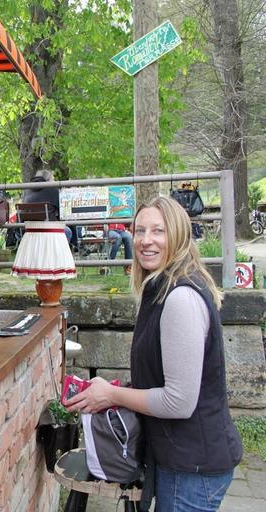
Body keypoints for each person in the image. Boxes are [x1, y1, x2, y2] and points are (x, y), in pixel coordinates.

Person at [66, 196, 242, 511]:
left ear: (178, 236)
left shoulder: (180, 299)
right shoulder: (162, 287)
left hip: (193, 468)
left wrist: (113, 396)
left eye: (158, 231)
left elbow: (179, 402)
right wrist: (118, 388)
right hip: (185, 460)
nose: (146, 241)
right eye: (140, 230)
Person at [20, 169, 72, 242]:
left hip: (29, 229)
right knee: (68, 231)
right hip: (48, 228)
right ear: (49, 179)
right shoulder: (53, 190)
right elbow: (62, 213)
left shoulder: (27, 190)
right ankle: (62, 252)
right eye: (53, 179)